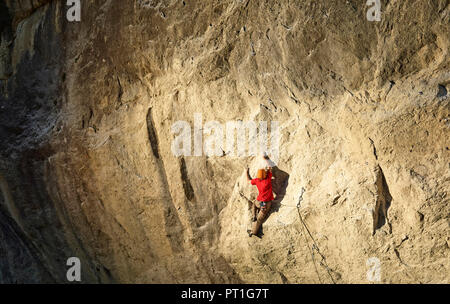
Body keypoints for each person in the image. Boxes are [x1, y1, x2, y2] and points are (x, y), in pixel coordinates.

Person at [246, 154, 274, 238]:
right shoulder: (268, 179)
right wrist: (266, 158)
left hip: (259, 201)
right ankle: (253, 231)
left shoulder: (257, 180)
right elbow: (270, 167)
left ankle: (254, 218)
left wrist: (246, 172)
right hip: (266, 203)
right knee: (259, 220)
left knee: (254, 204)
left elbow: (248, 181)